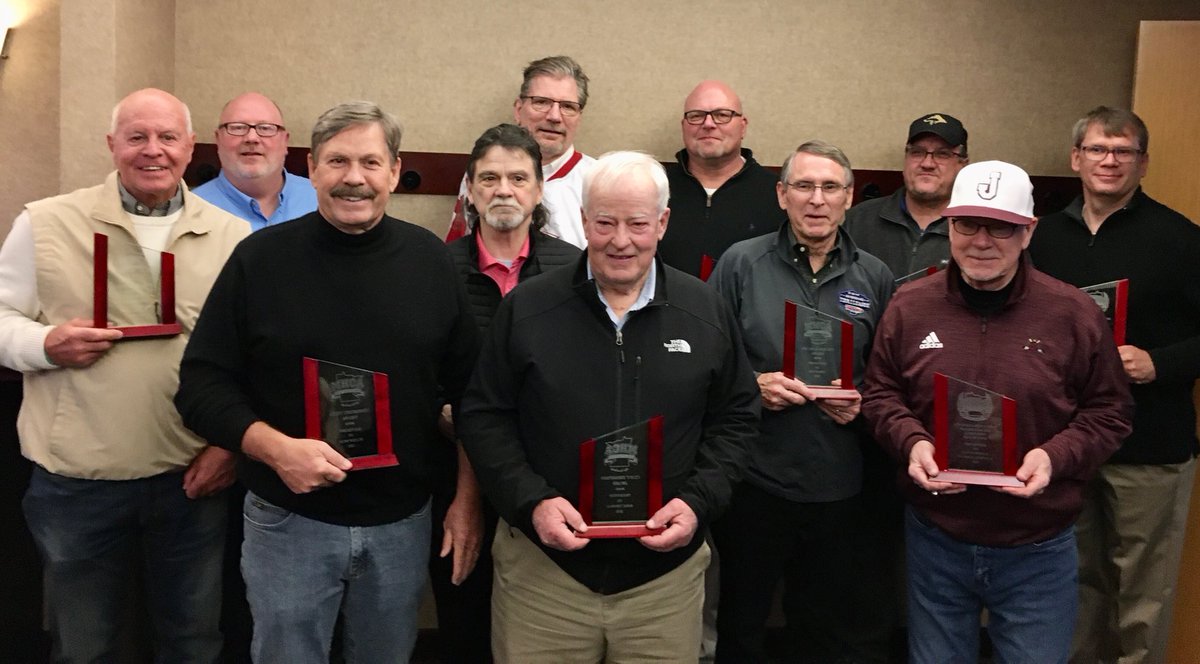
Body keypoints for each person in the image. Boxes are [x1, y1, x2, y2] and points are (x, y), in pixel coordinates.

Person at [174, 100, 479, 663]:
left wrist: (466, 500)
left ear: (393, 170)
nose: (354, 178)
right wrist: (275, 449)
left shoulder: (431, 263)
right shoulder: (259, 260)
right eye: (338, 161)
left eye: (370, 162)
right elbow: (200, 387)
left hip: (401, 521)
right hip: (288, 521)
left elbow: (473, 398)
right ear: (311, 168)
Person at [458, 150, 760, 663]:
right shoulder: (529, 308)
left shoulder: (705, 310)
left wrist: (697, 502)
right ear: (583, 221)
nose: (621, 240)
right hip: (544, 573)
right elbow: (485, 416)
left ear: (662, 223)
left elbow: (737, 417)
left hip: (663, 581)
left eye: (637, 223)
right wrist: (532, 502)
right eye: (605, 223)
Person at [0, 88, 250, 662]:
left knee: (192, 641)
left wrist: (227, 444)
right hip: (76, 482)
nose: (152, 151)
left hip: (191, 477)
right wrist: (43, 343)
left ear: (191, 147)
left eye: (167, 137)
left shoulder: (233, 238)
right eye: (136, 136)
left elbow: (254, 356)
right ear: (112, 145)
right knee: (87, 645)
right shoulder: (45, 222)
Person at [862, 160, 1134, 664]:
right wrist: (912, 443)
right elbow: (881, 394)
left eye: (1000, 226)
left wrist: (1055, 457)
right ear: (949, 224)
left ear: (1028, 232)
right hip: (936, 538)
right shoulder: (908, 305)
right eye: (968, 224)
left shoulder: (1072, 314)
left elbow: (1110, 411)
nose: (981, 241)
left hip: (1038, 544)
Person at [709, 140, 894, 663]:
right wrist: (754, 385)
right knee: (742, 623)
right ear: (781, 194)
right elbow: (706, 363)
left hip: (838, 486)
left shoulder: (874, 277)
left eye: (830, 187)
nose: (817, 200)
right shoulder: (741, 264)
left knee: (824, 628)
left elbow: (891, 378)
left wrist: (865, 404)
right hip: (754, 481)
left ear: (849, 197)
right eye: (804, 186)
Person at [1027, 106, 1200, 664]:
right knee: (1073, 582)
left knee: (1144, 593)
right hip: (1065, 444)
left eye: (1123, 151)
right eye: (1098, 149)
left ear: (1143, 163)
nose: (1109, 161)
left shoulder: (1182, 239)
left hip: (1150, 446)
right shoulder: (1041, 238)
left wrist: (1160, 362)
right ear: (1076, 158)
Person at [436, 123, 579, 663]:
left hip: (546, 478)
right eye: (489, 177)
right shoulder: (435, 269)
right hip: (452, 475)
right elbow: (416, 369)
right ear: (470, 190)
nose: (504, 190)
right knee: (464, 617)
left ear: (539, 190)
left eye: (519, 178)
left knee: (542, 631)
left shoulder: (574, 269)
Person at [445, 55, 595, 248]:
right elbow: (458, 255)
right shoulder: (484, 174)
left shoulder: (599, 181)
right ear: (518, 109)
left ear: (579, 118)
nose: (555, 116)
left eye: (567, 107)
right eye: (541, 102)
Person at [658, 80, 783, 279]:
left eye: (722, 115)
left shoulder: (777, 195)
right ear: (683, 126)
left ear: (743, 126)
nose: (708, 124)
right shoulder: (655, 188)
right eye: (696, 116)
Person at [843, 113, 969, 279]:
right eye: (917, 152)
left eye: (942, 154)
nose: (927, 163)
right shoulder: (859, 220)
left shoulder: (973, 230)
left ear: (963, 164)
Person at [192, 92, 317, 230]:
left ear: (284, 142)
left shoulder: (321, 200)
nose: (252, 138)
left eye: (265, 128)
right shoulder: (191, 211)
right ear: (218, 139)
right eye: (238, 127)